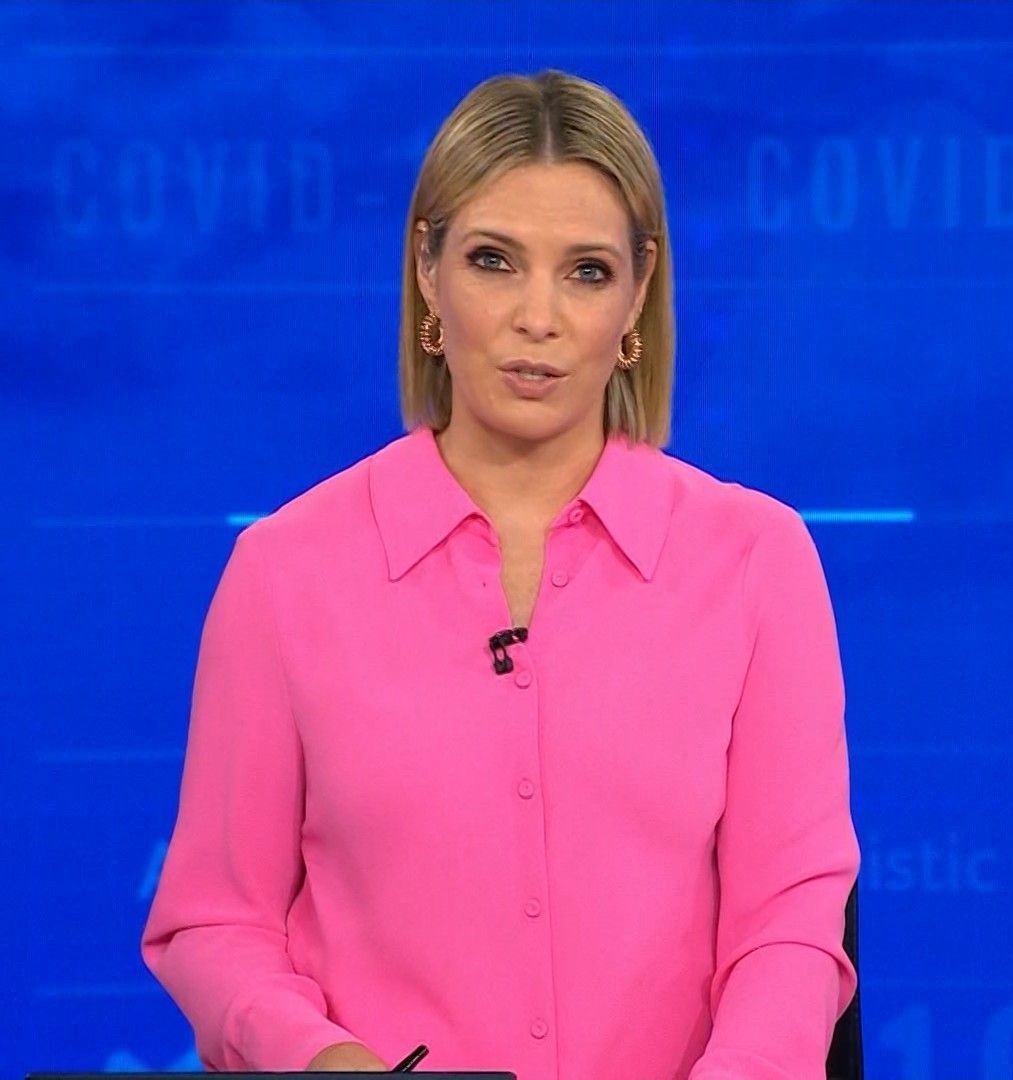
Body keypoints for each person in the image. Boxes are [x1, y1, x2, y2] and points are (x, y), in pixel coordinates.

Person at [141, 69, 858, 1080]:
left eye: (586, 272)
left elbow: (788, 925)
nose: (538, 317)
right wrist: (321, 1059)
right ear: (427, 271)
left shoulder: (755, 561)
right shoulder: (283, 574)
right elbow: (217, 922)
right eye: (493, 261)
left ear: (638, 293)